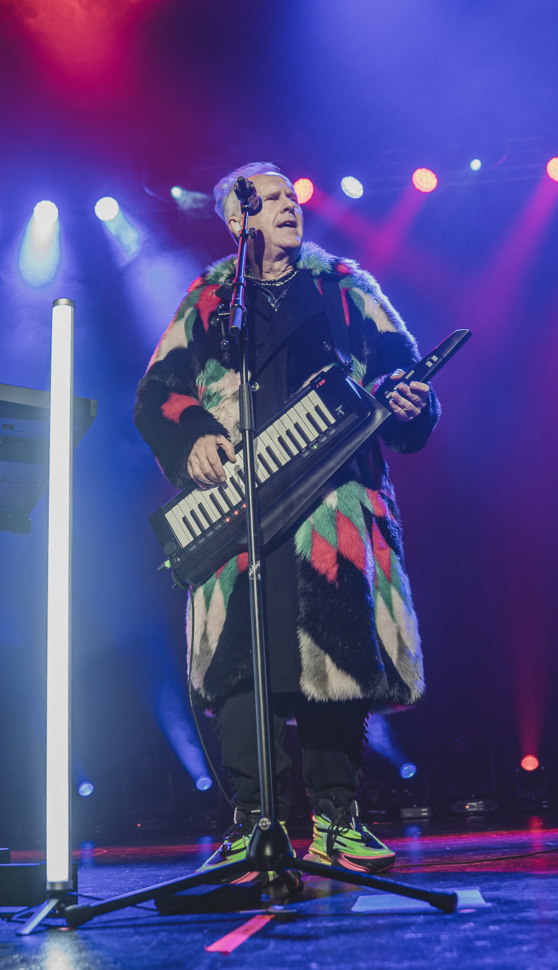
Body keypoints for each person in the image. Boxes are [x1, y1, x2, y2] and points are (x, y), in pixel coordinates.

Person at [134, 162, 437, 881]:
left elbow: (401, 369)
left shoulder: (345, 288)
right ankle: (253, 822)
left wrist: (408, 401)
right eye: (266, 202)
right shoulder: (209, 302)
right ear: (236, 223)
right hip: (236, 508)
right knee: (241, 664)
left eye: (290, 198)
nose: (286, 208)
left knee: (337, 657)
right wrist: (196, 436)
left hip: (335, 507)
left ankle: (337, 818)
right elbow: (156, 395)